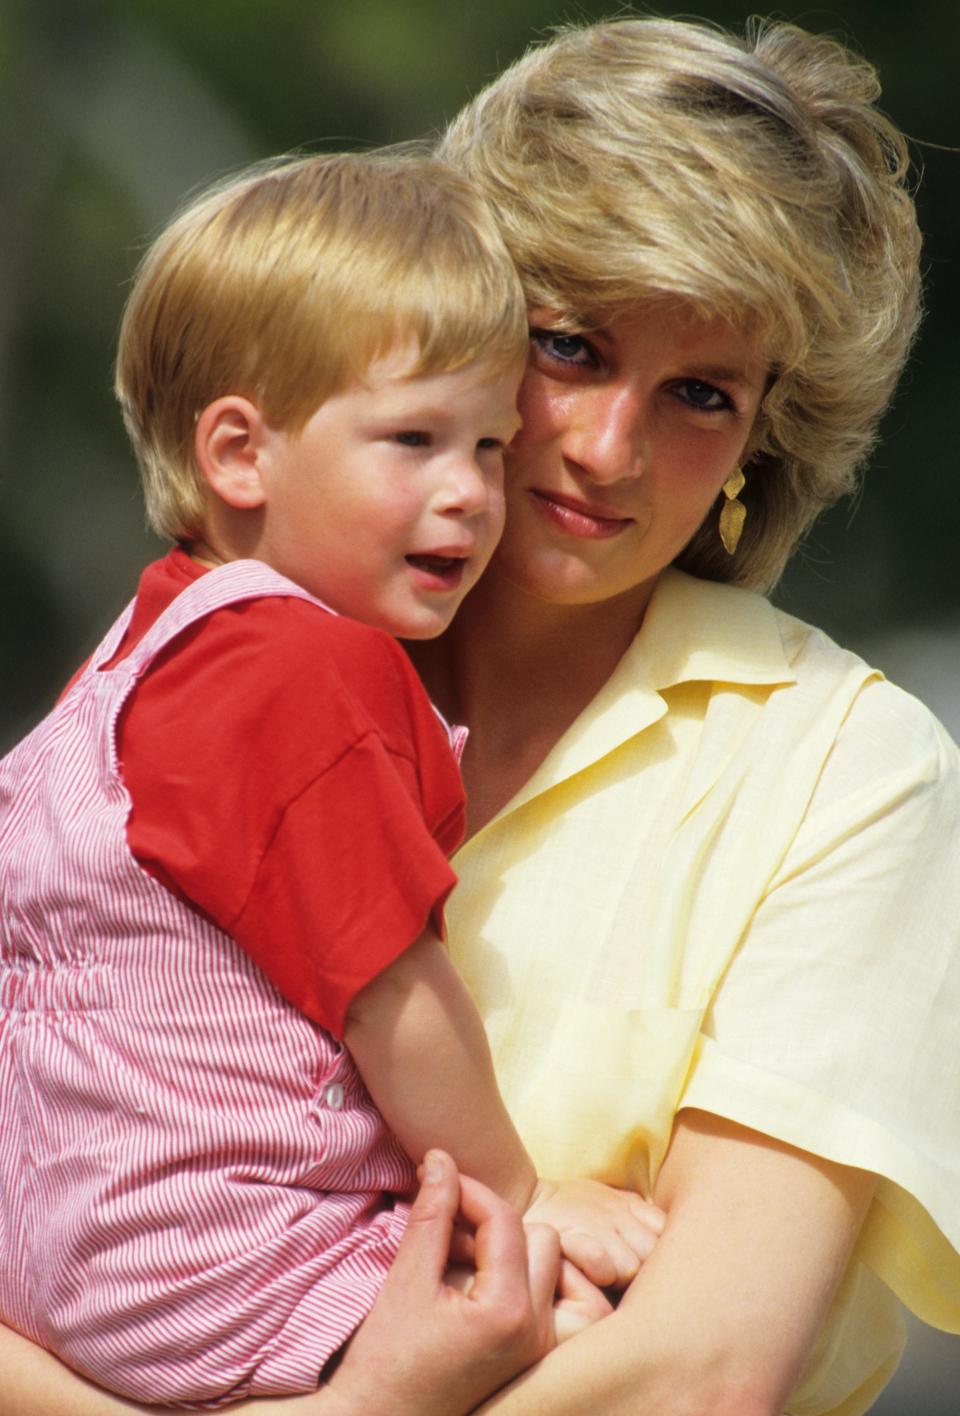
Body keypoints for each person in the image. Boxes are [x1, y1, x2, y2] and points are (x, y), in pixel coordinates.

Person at [3, 13, 960, 1416]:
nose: (605, 446)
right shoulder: (218, 661)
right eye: (569, 346)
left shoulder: (849, 767)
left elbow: (696, 1374)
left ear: (768, 443)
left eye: (701, 393)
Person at [0, 150, 657, 1409]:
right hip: (226, 1269)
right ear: (240, 454)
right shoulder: (304, 669)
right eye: (415, 440)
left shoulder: (137, 656)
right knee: (585, 1336)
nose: (471, 494)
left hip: (57, 1268)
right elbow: (389, 994)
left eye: (491, 444)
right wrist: (525, 1196)